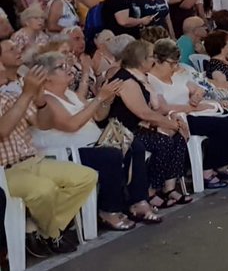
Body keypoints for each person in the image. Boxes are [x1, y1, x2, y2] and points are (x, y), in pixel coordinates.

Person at [32, 51, 157, 230]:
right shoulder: (46, 100)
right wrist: (99, 98)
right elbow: (71, 125)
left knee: (134, 145)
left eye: (67, 65)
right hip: (67, 153)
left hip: (92, 145)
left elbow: (98, 115)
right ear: (47, 77)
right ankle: (108, 210)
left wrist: (106, 100)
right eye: (61, 67)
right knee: (110, 156)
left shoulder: (71, 94)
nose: (68, 69)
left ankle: (138, 201)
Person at [0, 64, 98, 256]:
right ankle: (52, 233)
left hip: (32, 160)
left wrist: (40, 102)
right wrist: (27, 94)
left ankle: (38, 229)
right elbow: (2, 130)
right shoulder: (18, 96)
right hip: (5, 171)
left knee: (86, 177)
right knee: (44, 190)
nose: (4, 69)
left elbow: (43, 124)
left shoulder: (11, 96)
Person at [146, 40, 228, 189]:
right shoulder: (152, 81)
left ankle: (226, 162)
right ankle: (207, 171)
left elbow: (198, 88)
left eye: (177, 63)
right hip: (177, 117)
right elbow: (162, 108)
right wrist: (192, 108)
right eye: (171, 63)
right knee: (219, 125)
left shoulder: (177, 74)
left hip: (193, 111)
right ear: (158, 60)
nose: (175, 67)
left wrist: (197, 96)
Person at [107, 39, 191, 209]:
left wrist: (174, 119)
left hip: (141, 126)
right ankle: (151, 190)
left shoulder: (142, 78)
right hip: (124, 131)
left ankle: (169, 187)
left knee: (178, 137)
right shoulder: (126, 80)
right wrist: (169, 124)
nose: (154, 60)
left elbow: (158, 107)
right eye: (151, 57)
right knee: (163, 141)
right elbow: (142, 112)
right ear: (142, 60)